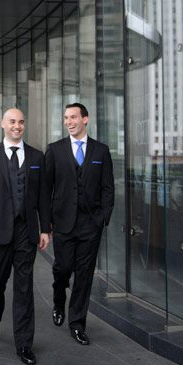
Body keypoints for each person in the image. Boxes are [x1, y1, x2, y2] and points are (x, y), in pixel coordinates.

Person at [0, 108, 50, 365]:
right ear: (2, 124)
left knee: (24, 287)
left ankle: (24, 344)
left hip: (25, 231)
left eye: (21, 122)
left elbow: (43, 197)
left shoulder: (37, 156)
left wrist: (45, 229)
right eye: (12, 122)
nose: (17, 126)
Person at [45, 102, 114, 346]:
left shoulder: (101, 151)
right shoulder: (54, 150)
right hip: (63, 222)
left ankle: (77, 324)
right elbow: (46, 189)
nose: (69, 122)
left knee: (84, 276)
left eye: (73, 117)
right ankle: (58, 298)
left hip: (90, 225)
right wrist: (46, 224)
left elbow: (108, 188)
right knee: (63, 269)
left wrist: (102, 218)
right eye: (66, 118)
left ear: (85, 119)